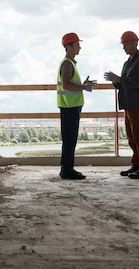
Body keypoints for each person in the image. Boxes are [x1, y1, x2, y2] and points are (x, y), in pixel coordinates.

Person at [104, 31, 139, 179]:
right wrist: (116, 81)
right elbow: (124, 83)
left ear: (135, 43)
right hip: (128, 103)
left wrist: (119, 79)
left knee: (138, 135)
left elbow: (137, 83)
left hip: (137, 103)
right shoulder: (128, 63)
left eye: (126, 44)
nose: (124, 47)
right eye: (123, 44)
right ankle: (136, 163)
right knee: (131, 135)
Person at [57, 32, 95, 180]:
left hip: (70, 106)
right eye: (77, 44)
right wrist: (83, 87)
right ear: (69, 47)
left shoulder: (70, 63)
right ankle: (67, 169)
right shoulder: (67, 63)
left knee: (69, 139)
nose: (79, 47)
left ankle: (66, 168)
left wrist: (82, 85)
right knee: (69, 139)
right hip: (69, 107)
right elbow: (66, 84)